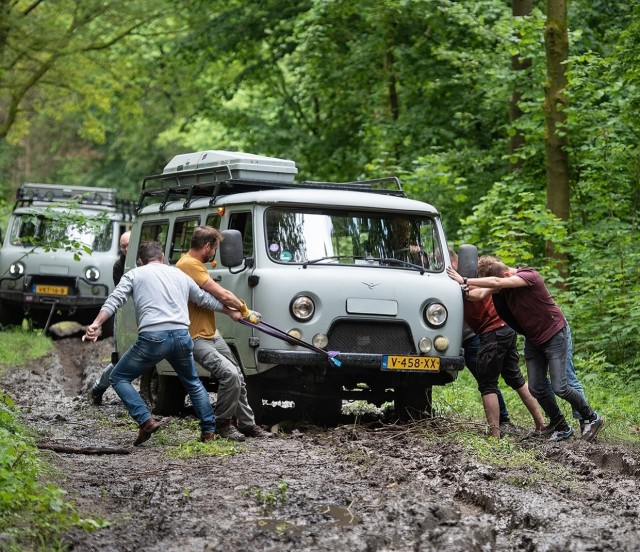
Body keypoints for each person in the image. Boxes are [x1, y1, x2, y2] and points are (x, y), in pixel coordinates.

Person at [82, 240, 257, 446]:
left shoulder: (134, 274)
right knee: (192, 382)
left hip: (153, 338)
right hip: (182, 336)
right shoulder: (179, 274)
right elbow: (204, 299)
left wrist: (96, 323)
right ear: (163, 258)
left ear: (140, 261)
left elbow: (115, 300)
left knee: (118, 376)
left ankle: (145, 420)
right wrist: (231, 312)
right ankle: (208, 431)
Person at [447, 260, 604, 442]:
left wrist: (464, 279)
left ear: (505, 275)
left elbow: (496, 283)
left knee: (560, 387)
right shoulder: (502, 284)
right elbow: (480, 293)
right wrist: (460, 288)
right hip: (534, 338)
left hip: (554, 334)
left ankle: (591, 417)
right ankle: (559, 425)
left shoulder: (529, 276)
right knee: (535, 387)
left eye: (496, 280)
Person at [175, 226, 272, 441]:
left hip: (211, 333)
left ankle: (247, 425)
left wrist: (233, 312)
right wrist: (244, 310)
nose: (214, 254)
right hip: (195, 336)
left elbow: (208, 299)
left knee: (238, 377)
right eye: (214, 248)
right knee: (230, 375)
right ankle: (222, 424)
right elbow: (221, 294)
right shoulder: (188, 265)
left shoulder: (193, 264)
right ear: (207, 246)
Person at [455, 258, 545, 438]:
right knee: (516, 379)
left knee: (487, 385)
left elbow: (476, 293)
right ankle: (541, 424)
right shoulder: (471, 279)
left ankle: (494, 435)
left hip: (493, 332)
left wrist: (461, 282)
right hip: (505, 330)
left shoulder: (469, 279)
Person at [448, 248, 513, 429]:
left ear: (457, 261)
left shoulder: (471, 276)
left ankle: (503, 421)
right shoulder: (440, 277)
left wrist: (463, 282)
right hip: (447, 335)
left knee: (486, 380)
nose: (448, 269)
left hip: (474, 334)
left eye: (449, 264)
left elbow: (483, 291)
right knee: (490, 381)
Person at [90, 231, 130, 405]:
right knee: (120, 361)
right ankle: (99, 387)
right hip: (126, 318)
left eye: (129, 244)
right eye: (123, 246)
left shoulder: (150, 259)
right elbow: (120, 296)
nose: (126, 249)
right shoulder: (119, 266)